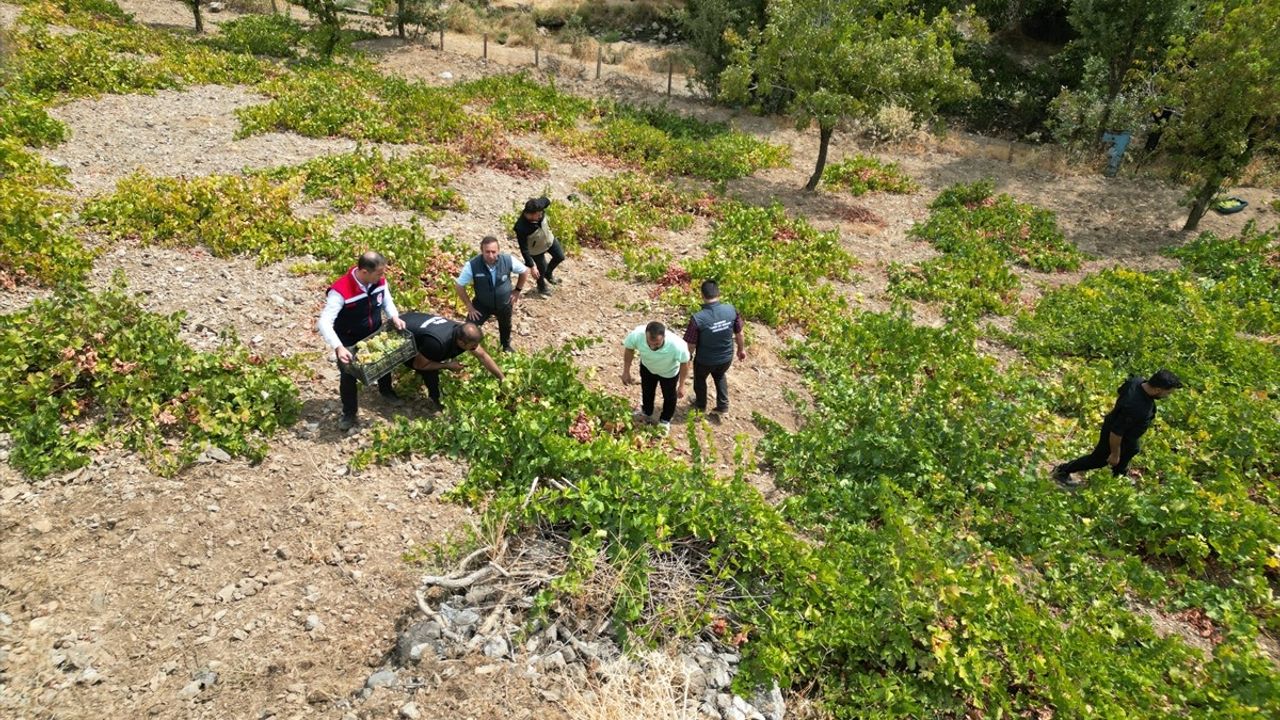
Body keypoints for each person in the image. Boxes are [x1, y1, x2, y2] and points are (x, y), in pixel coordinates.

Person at [318, 251, 407, 431]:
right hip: (348, 338)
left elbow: (387, 301)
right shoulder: (340, 291)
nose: (382, 277)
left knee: (383, 362)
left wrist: (394, 316)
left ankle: (386, 391)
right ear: (364, 272)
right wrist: (339, 347)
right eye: (379, 273)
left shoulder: (379, 282)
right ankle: (349, 413)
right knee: (348, 375)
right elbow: (324, 322)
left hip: (373, 331)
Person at [1053, 369, 1184, 487]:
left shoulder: (1137, 381)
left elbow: (1120, 392)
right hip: (1115, 433)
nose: (1168, 395)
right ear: (1157, 390)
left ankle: (1118, 477)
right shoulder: (1135, 406)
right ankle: (1063, 470)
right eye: (1168, 392)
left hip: (1127, 433)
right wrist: (1115, 454)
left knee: (1132, 449)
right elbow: (1116, 433)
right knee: (1098, 460)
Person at [401, 312, 504, 409]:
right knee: (430, 369)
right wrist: (447, 365)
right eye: (472, 347)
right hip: (400, 331)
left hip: (412, 319)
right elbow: (418, 365)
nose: (475, 348)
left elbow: (483, 356)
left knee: (432, 358)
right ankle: (434, 400)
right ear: (461, 343)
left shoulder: (462, 332)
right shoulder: (438, 344)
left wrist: (502, 378)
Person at [455, 236, 531, 353]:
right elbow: (459, 285)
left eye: (493, 252)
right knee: (468, 329)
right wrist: (469, 307)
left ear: (498, 251)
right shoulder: (472, 265)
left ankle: (505, 346)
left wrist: (517, 290)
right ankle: (464, 350)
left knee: (505, 326)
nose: (491, 255)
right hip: (481, 305)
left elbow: (524, 271)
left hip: (504, 303)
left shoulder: (508, 260)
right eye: (487, 252)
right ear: (482, 251)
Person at [683, 280, 746, 414]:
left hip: (705, 360)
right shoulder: (731, 310)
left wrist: (687, 358)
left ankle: (700, 405)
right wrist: (741, 350)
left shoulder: (698, 318)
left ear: (702, 295)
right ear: (719, 293)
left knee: (700, 379)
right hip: (726, 358)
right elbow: (739, 333)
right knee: (720, 375)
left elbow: (691, 344)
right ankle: (723, 406)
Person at [621, 321, 691, 435]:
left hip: (669, 373)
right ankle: (646, 412)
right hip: (648, 368)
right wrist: (626, 371)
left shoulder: (677, 345)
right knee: (647, 390)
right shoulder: (637, 335)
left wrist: (682, 385)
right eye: (650, 343)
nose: (653, 347)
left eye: (657, 344)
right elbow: (629, 348)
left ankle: (665, 420)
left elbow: (685, 363)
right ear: (645, 335)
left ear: (664, 336)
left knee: (669, 397)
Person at [513, 196, 565, 298]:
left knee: (560, 256)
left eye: (541, 213)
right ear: (529, 215)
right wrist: (532, 266)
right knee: (540, 270)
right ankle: (541, 287)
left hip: (549, 239)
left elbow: (547, 200)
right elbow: (524, 249)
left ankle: (548, 274)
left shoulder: (540, 205)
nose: (540, 216)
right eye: (538, 215)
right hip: (535, 250)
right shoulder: (521, 227)